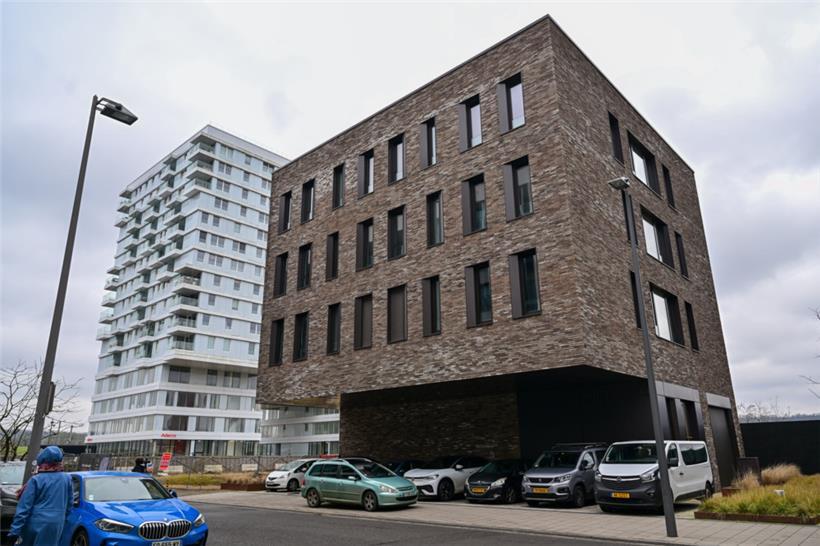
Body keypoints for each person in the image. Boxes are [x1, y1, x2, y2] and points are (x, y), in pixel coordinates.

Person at [8, 446, 73, 546]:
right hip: (56, 524)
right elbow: (69, 504)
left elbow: (24, 507)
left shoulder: (36, 480)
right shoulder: (67, 479)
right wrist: (62, 520)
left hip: (35, 524)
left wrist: (14, 531)